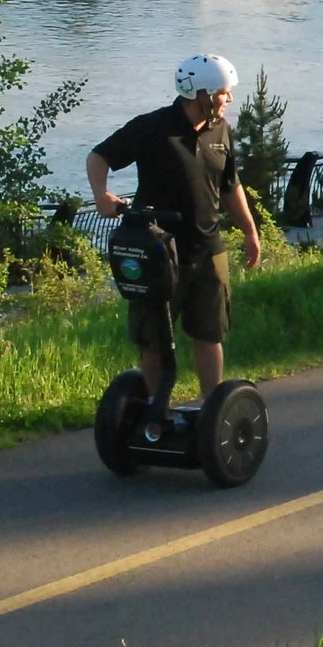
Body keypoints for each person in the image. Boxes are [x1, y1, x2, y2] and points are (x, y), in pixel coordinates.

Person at [87, 53, 264, 412]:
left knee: (209, 334)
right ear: (200, 93)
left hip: (208, 249)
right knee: (153, 341)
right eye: (222, 93)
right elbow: (98, 157)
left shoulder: (221, 131)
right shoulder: (152, 128)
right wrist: (101, 196)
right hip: (158, 251)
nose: (228, 99)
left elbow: (231, 186)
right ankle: (153, 414)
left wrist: (249, 230)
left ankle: (213, 415)